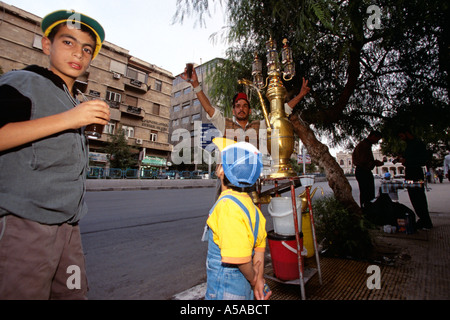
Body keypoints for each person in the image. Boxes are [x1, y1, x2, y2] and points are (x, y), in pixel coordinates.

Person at [0, 10, 110, 299]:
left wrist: (78, 117)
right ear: (47, 46)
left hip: (69, 231)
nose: (79, 53)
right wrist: (70, 119)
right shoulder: (23, 81)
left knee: (73, 292)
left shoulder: (73, 99)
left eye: (87, 49)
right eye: (68, 42)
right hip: (26, 229)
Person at [204, 137, 271, 300]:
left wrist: (253, 278)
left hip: (225, 292)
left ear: (221, 171)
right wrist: (259, 279)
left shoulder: (227, 207)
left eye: (220, 163)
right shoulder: (254, 210)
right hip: (243, 291)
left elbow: (239, 258)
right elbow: (259, 251)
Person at [181, 67, 311, 148]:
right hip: (228, 180)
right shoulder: (224, 124)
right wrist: (196, 85)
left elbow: (280, 113)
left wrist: (301, 95)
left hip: (251, 179)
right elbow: (209, 108)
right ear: (233, 110)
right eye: (237, 106)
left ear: (250, 110)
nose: (241, 109)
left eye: (244, 106)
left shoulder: (258, 126)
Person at [396, 127, 433, 229]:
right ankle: (423, 219)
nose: (402, 138)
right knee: (414, 197)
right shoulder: (410, 145)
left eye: (402, 136)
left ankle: (426, 221)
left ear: (407, 133)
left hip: (415, 174)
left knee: (418, 197)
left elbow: (421, 160)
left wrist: (406, 161)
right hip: (411, 173)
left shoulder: (417, 144)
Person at [352, 130, 384, 207]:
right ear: (373, 136)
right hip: (363, 171)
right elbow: (364, 161)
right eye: (377, 139)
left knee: (366, 194)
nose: (377, 142)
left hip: (362, 171)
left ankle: (367, 211)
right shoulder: (365, 145)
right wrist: (375, 162)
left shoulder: (364, 144)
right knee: (367, 194)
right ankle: (367, 211)